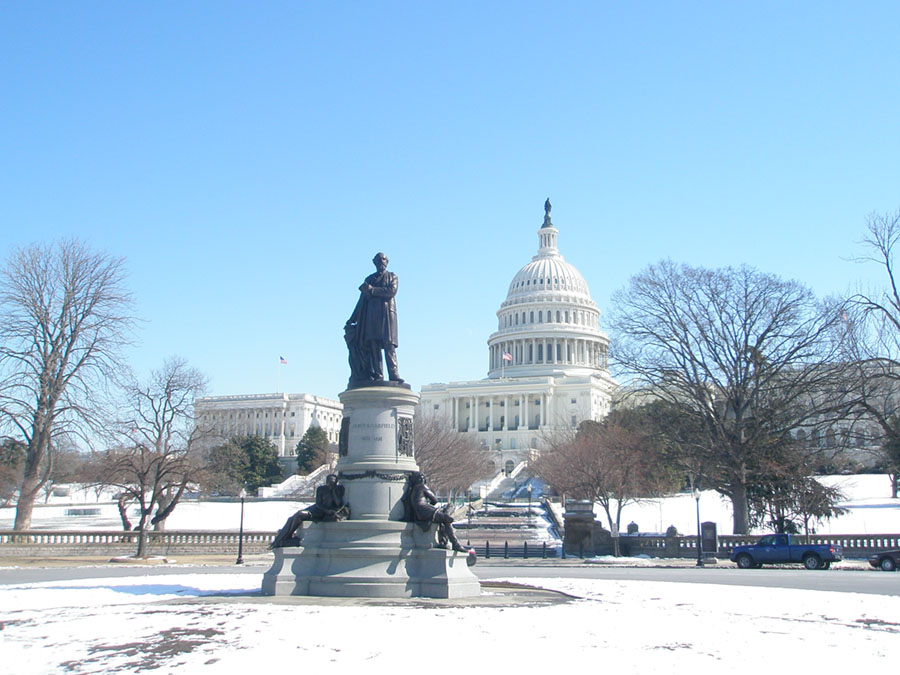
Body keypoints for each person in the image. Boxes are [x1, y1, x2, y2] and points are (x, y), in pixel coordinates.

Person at [345, 252, 403, 385]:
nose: (381, 262)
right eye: (378, 260)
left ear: (387, 262)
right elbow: (361, 302)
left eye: (383, 260)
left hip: (387, 316)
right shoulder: (369, 279)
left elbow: (391, 291)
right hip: (371, 318)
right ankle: (378, 375)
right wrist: (352, 319)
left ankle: (394, 375)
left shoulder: (392, 276)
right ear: (374, 263)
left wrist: (371, 290)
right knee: (374, 346)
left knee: (389, 346)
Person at [269, 474, 349, 549]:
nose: (330, 484)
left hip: (321, 513)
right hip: (318, 509)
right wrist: (327, 511)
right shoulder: (321, 489)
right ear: (326, 482)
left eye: (333, 483)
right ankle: (280, 539)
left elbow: (339, 503)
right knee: (291, 518)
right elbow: (318, 504)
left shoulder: (338, 490)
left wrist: (333, 491)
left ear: (335, 483)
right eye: (329, 482)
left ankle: (287, 536)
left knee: (300, 514)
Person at [400, 472, 468, 552]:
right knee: (447, 518)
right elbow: (434, 500)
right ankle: (455, 544)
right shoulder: (422, 486)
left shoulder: (413, 489)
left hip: (419, 513)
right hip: (425, 510)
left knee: (444, 518)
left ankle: (448, 541)